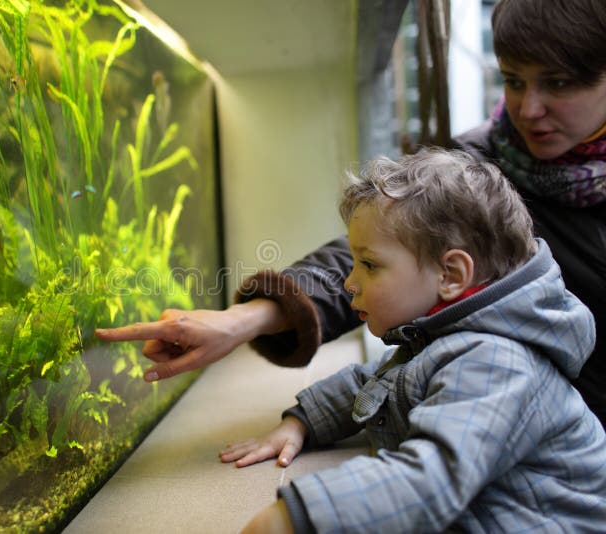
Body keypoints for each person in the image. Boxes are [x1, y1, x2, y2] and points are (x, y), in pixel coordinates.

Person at [95, 0, 606, 427]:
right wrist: (244, 320)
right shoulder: (480, 164)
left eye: (557, 84)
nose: (528, 107)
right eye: (514, 81)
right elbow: (378, 252)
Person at [223, 148, 605, 532]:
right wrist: (302, 423)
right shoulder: (446, 341)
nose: (349, 282)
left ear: (451, 275)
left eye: (369, 264)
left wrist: (298, 517)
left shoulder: (498, 362)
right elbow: (374, 382)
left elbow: (430, 478)